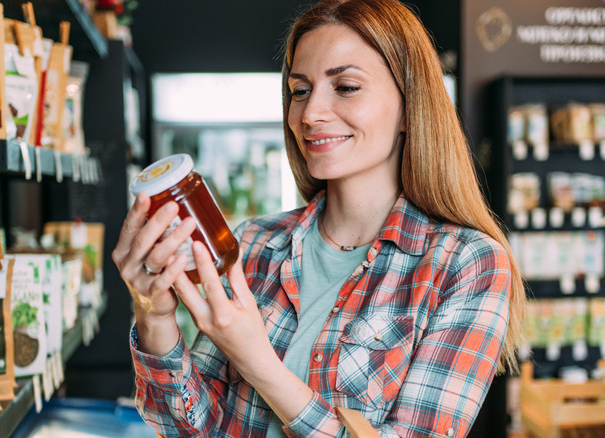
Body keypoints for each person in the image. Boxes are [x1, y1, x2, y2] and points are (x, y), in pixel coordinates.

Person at [112, 0, 526, 436]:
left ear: (409, 105)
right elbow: (190, 430)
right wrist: (154, 317)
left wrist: (259, 362)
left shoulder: (464, 264)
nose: (309, 114)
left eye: (345, 87)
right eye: (300, 90)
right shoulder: (253, 244)